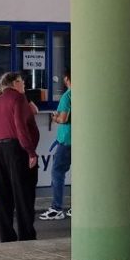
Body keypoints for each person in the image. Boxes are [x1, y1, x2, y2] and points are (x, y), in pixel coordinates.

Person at [0, 71, 39, 241]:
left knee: (3, 196)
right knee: (23, 194)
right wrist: (30, 152)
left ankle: (6, 236)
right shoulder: (18, 99)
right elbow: (20, 127)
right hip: (16, 149)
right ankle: (26, 234)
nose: (24, 85)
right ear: (15, 83)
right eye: (22, 82)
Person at [40, 70, 71, 221]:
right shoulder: (84, 94)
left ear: (66, 79)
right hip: (80, 140)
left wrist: (55, 118)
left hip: (66, 140)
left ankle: (57, 208)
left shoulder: (67, 96)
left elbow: (64, 119)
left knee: (57, 172)